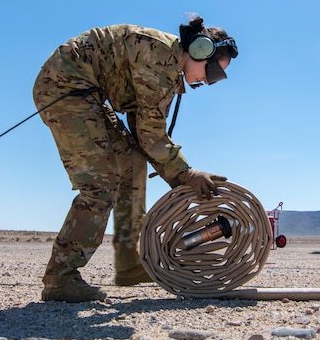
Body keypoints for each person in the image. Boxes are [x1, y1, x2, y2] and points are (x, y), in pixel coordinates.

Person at [32, 15, 238, 302]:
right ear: (199, 50)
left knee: (130, 160)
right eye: (213, 71)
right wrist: (187, 174)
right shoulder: (160, 59)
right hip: (65, 88)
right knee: (100, 183)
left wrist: (181, 177)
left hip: (86, 94)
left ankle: (130, 262)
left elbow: (146, 139)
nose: (208, 80)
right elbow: (151, 134)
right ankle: (60, 277)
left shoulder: (167, 69)